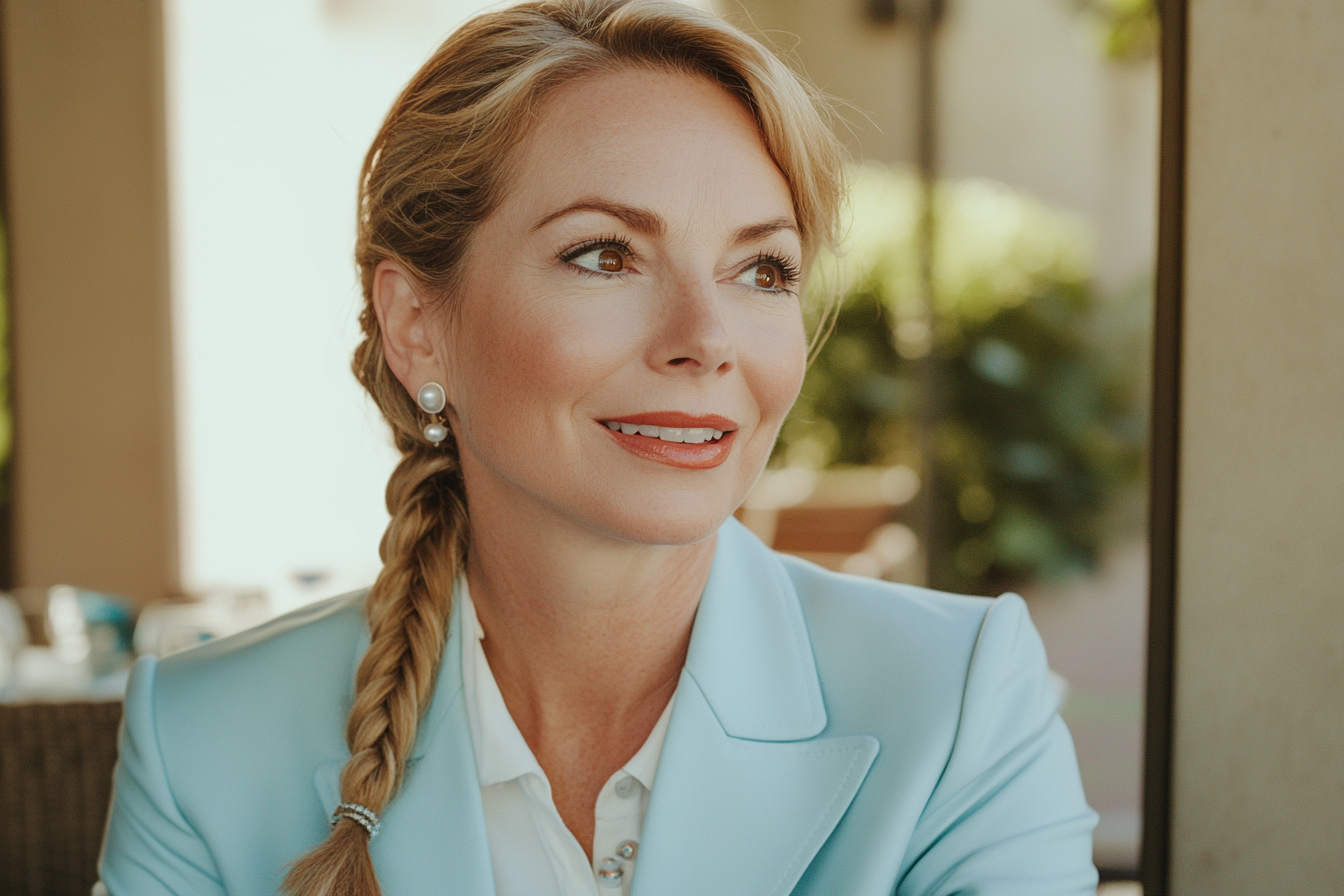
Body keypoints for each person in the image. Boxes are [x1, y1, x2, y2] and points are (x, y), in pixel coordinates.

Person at [97, 1, 1098, 894]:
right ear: (416, 328)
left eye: (762, 267)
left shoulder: (960, 701)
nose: (705, 338)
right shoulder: (201, 741)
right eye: (604, 254)